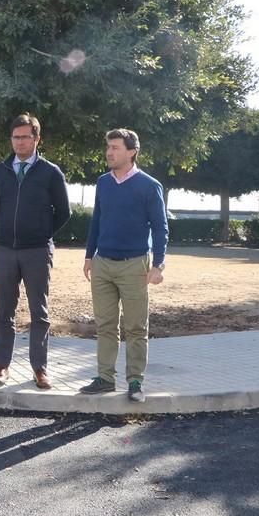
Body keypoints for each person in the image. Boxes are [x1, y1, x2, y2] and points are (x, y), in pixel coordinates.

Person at [80, 129, 168, 402]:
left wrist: (159, 264)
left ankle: (135, 382)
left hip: (135, 266)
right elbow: (97, 221)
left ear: (131, 152)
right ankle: (105, 378)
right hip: (102, 263)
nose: (109, 152)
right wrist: (88, 255)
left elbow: (161, 227)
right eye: (108, 147)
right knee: (105, 324)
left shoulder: (149, 185)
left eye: (115, 148)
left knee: (135, 327)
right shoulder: (103, 183)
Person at [0, 113, 71, 388]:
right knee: (5, 312)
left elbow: (63, 212)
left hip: (37, 251)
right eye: (16, 137)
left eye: (25, 137)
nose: (20, 142)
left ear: (37, 139)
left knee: (39, 312)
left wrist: (41, 233)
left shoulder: (50, 172)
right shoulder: (1, 171)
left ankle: (40, 368)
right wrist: (6, 235)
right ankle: (1, 366)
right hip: (7, 251)